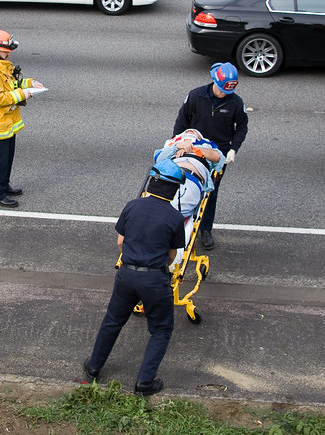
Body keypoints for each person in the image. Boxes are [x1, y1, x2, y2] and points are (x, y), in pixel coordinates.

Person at [83, 160, 187, 397]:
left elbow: (120, 242)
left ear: (151, 182)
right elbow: (172, 255)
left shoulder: (132, 206)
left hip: (127, 275)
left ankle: (93, 368)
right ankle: (144, 382)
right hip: (155, 281)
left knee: (113, 321)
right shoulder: (174, 218)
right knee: (161, 330)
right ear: (174, 189)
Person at [172, 62, 248, 250]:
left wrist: (233, 149)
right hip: (192, 149)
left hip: (217, 154)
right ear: (214, 81)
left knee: (210, 193)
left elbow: (242, 127)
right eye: (222, 90)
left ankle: (205, 229)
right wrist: (177, 142)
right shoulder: (195, 96)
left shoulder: (236, 103)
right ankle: (177, 223)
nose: (224, 94)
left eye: (227, 92)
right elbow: (181, 122)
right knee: (183, 185)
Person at [0, 29, 45, 208]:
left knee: (7, 159)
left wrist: (30, 83)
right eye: (6, 51)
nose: (8, 54)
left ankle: (4, 185)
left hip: (6, 123)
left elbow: (13, 83)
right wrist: (22, 94)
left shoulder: (1, 66)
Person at [153, 129, 225, 265]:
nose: (191, 130)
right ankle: (160, 247)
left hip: (191, 181)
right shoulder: (173, 144)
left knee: (171, 212)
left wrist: (197, 150)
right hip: (167, 181)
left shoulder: (206, 145)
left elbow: (220, 160)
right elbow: (158, 159)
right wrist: (176, 147)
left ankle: (165, 252)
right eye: (188, 130)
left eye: (195, 132)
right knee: (162, 211)